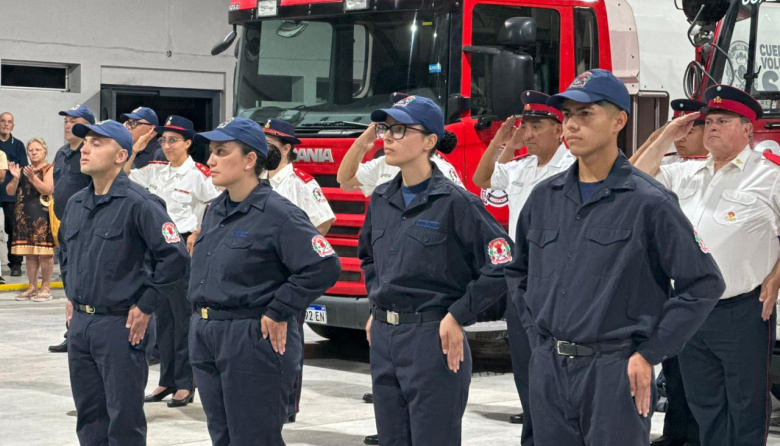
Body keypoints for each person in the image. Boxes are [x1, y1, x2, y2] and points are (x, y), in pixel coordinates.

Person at [504, 69, 726, 445]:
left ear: (618, 121)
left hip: (615, 371)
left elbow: (704, 283)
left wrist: (650, 352)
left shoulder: (650, 202)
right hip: (549, 368)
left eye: (586, 114)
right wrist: (535, 334)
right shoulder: (543, 198)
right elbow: (518, 271)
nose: (572, 124)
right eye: (568, 115)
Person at [358, 95, 510, 446]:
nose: (388, 137)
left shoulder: (457, 202)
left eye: (400, 130)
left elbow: (503, 262)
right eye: (386, 129)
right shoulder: (381, 198)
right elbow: (369, 257)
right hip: (384, 338)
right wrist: (376, 304)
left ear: (429, 141)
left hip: (432, 338)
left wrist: (458, 315)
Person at [633, 84, 780, 446]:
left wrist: (777, 274)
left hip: (742, 308)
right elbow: (633, 177)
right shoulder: (686, 173)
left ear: (747, 129)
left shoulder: (769, 176)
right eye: (709, 120)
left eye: (723, 120)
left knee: (746, 405)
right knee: (704, 403)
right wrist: (667, 134)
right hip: (690, 309)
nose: (712, 126)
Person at [189, 117, 341, 445]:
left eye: (221, 152)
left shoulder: (278, 213)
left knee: (254, 437)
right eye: (211, 151)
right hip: (206, 332)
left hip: (249, 337)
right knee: (222, 434)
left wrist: (279, 309)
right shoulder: (215, 209)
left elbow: (324, 265)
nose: (211, 160)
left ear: (249, 160)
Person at [62, 119, 190, 445]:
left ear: (121, 156)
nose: (86, 149)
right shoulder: (76, 204)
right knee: (89, 416)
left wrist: (147, 304)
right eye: (85, 142)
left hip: (121, 325)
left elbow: (174, 258)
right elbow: (66, 251)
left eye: (97, 143)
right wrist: (71, 294)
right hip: (81, 324)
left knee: (123, 420)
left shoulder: (141, 204)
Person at [471, 90, 575, 443]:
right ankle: (531, 436)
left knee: (554, 370)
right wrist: (501, 141)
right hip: (521, 278)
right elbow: (482, 179)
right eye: (525, 126)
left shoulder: (573, 167)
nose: (528, 134)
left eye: (536, 126)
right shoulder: (521, 167)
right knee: (525, 367)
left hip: (556, 276)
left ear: (559, 130)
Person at [125, 115, 220, 408]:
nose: (166, 146)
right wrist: (135, 148)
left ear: (188, 143)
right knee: (162, 318)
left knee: (183, 320)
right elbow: (122, 175)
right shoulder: (156, 169)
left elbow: (219, 203)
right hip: (157, 250)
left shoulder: (199, 174)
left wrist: (200, 232)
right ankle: (166, 379)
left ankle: (185, 382)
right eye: (163, 140)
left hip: (183, 249)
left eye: (173, 140)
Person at [631, 98, 707, 446]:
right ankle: (677, 434)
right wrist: (660, 138)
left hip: (708, 285)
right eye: (678, 129)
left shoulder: (722, 170)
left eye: (689, 130)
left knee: (704, 377)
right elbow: (633, 173)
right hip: (674, 284)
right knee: (675, 369)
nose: (681, 137)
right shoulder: (675, 167)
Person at [262, 118, 336, 423]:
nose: (263, 147)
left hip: (288, 275)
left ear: (286, 148)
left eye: (270, 143)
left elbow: (324, 220)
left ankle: (288, 406)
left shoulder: (302, 183)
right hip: (261, 274)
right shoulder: (257, 178)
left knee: (289, 343)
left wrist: (300, 254)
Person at [48, 104, 96, 354]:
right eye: (66, 121)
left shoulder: (91, 153)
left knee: (85, 279)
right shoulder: (62, 153)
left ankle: (86, 333)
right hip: (65, 225)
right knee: (69, 279)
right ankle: (72, 332)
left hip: (87, 226)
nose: (68, 125)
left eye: (74, 121)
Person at [6, 138, 55, 301]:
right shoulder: (24, 170)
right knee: (29, 253)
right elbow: (10, 192)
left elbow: (47, 189)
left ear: (45, 151)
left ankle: (46, 287)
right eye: (31, 150)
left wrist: (33, 178)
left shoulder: (49, 168)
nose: (34, 153)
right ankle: (32, 287)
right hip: (23, 216)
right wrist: (15, 178)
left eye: (37, 149)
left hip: (42, 216)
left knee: (45, 253)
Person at [0, 112, 28, 278]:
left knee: (13, 229)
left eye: (9, 122)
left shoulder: (18, 145)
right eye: (3, 121)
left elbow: (23, 168)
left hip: (11, 193)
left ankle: (16, 264)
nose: (6, 124)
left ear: (13, 126)